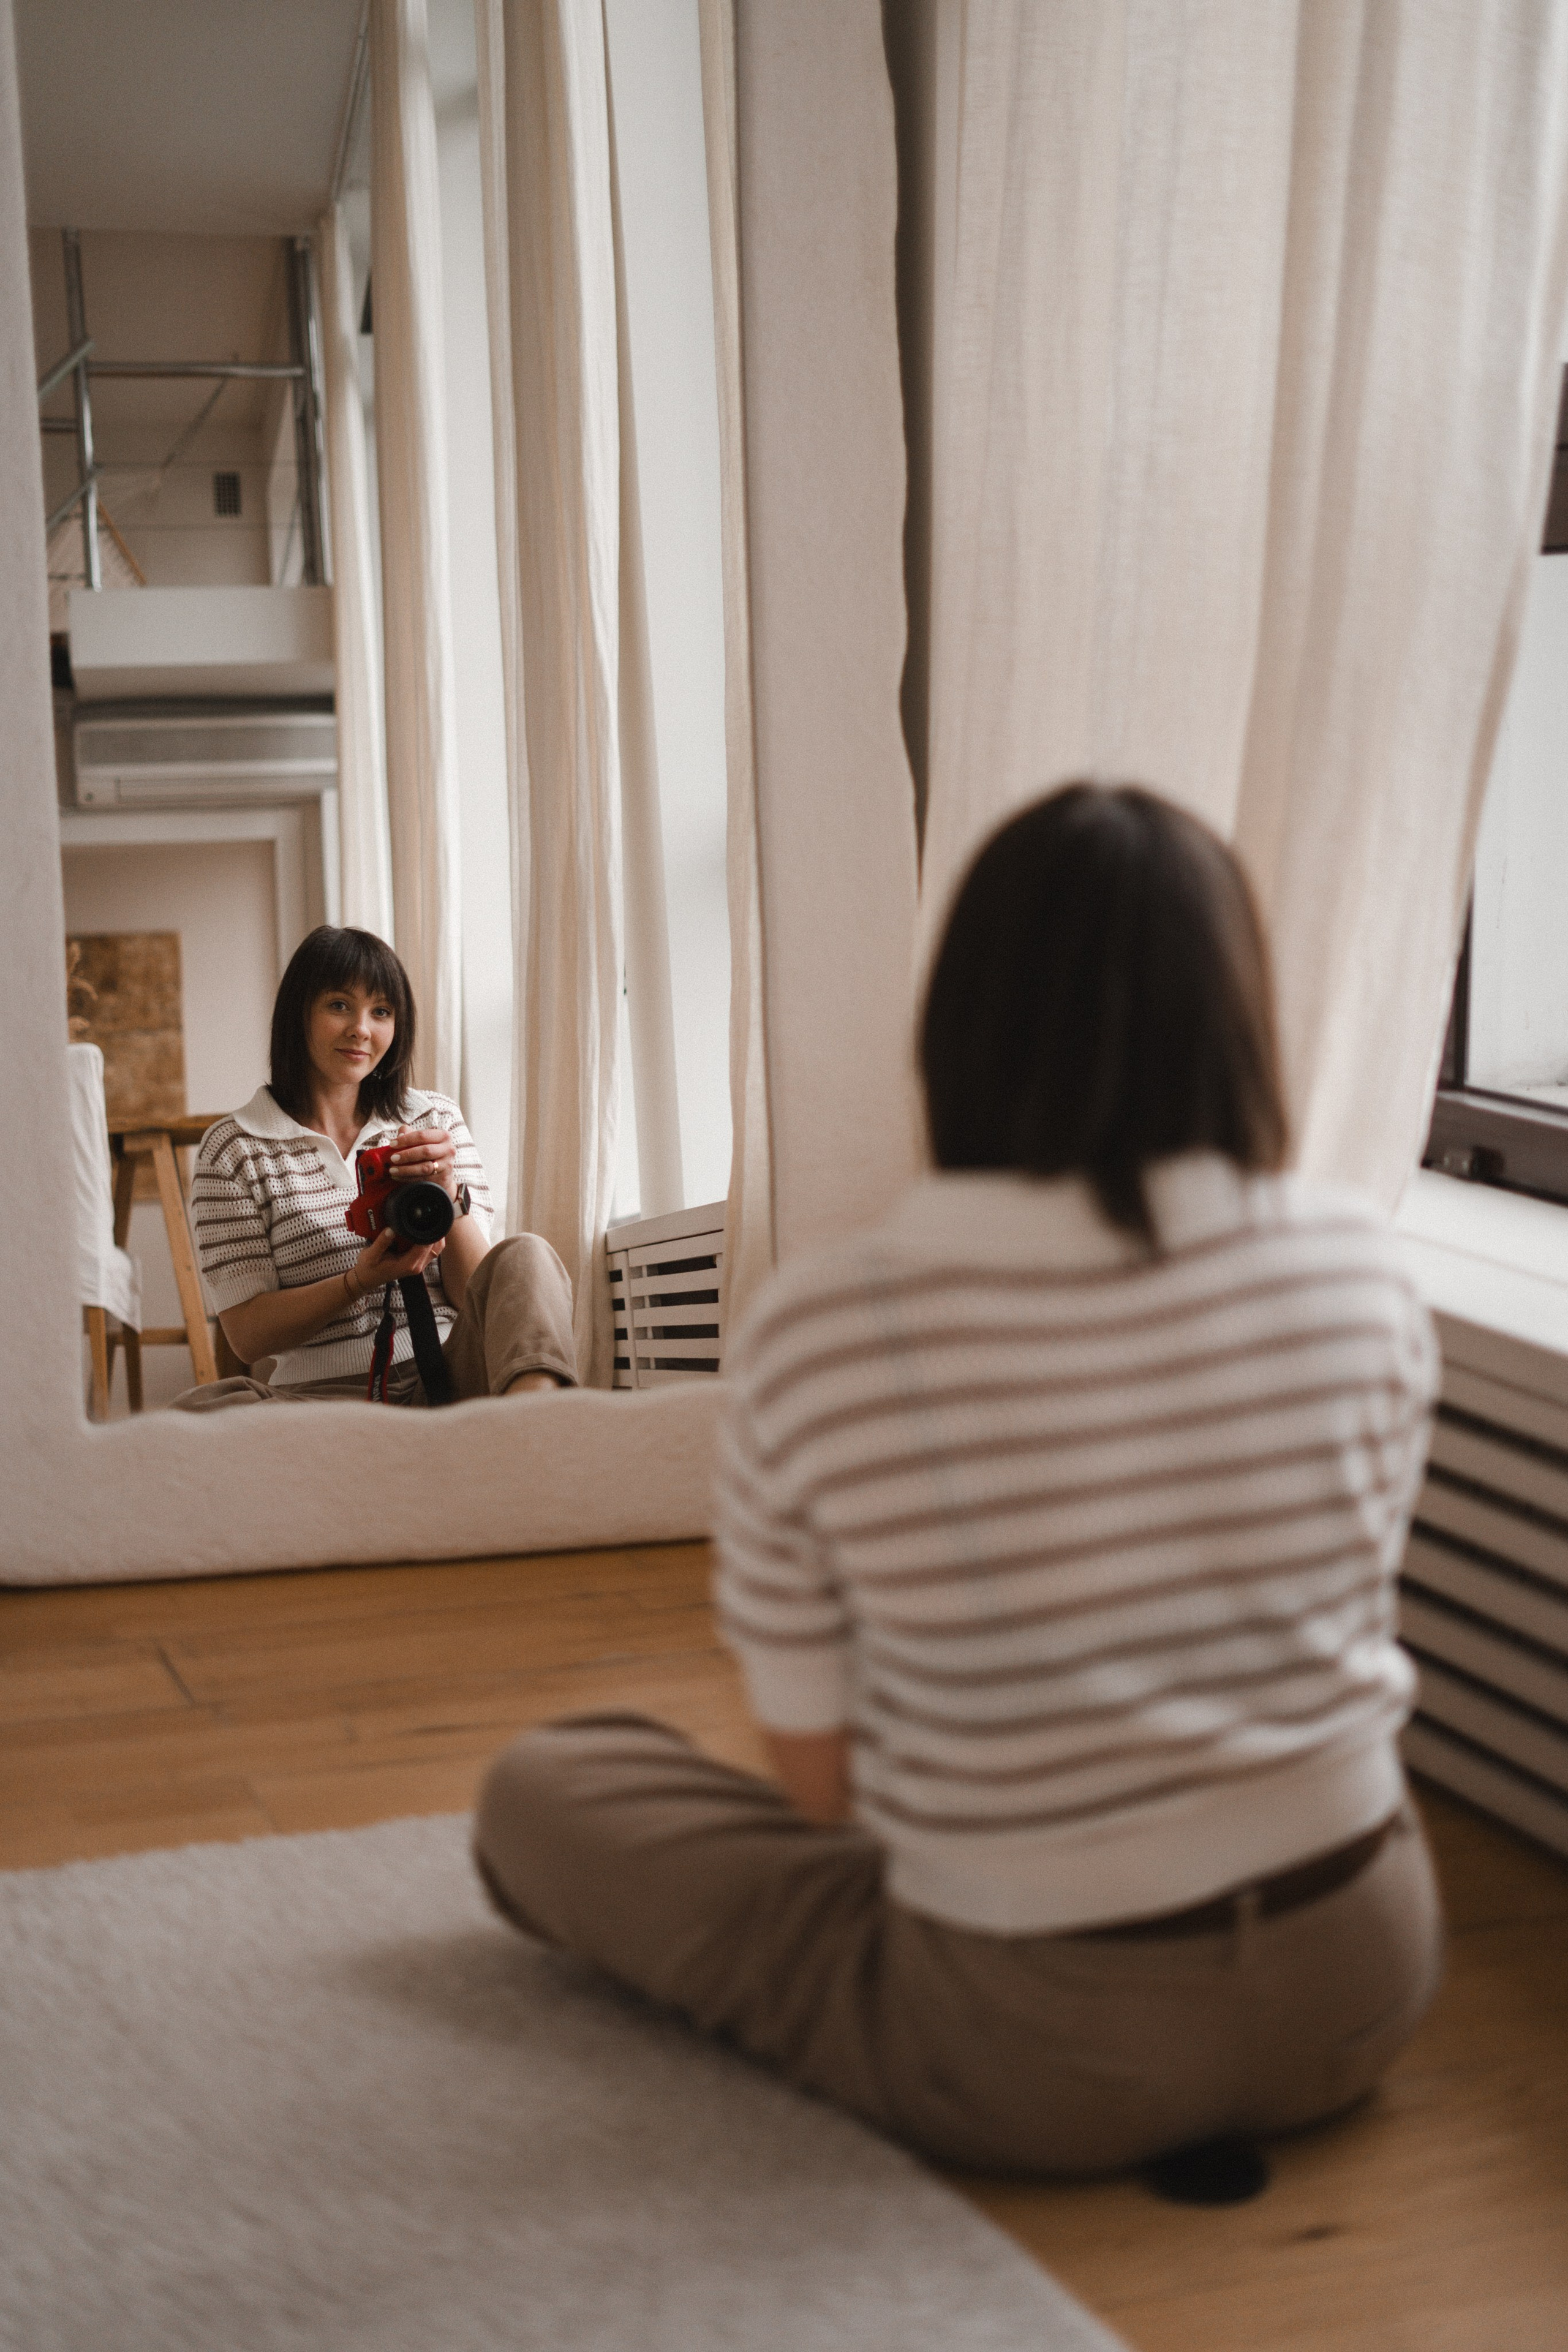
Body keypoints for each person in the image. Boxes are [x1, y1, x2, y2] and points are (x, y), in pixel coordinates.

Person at [472, 782, 1444, 2176]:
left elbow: (825, 1800)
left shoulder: (820, 1329)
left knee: (549, 1785)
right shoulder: (1362, 1271)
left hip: (1027, 2041)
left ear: (959, 1027)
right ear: (1238, 1013)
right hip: (1361, 1975)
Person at [178, 925, 576, 1408]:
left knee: (527, 1255)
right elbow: (248, 1336)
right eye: (339, 1005)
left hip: (449, 1374)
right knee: (200, 1411)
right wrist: (359, 1282)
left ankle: (535, 1434)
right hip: (320, 1402)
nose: (361, 1029)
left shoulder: (433, 1121)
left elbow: (476, 1290)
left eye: (381, 1011)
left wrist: (449, 1194)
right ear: (297, 1013)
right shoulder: (234, 1150)